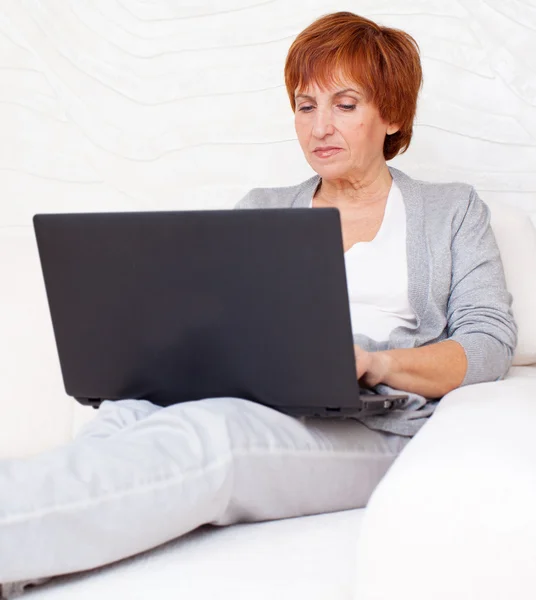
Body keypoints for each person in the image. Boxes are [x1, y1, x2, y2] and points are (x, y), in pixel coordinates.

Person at [0, 11, 517, 598]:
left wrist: (377, 364)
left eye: (345, 105)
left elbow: (488, 344)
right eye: (305, 105)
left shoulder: (451, 210)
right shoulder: (263, 205)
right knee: (126, 414)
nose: (320, 126)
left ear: (391, 114)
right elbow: (216, 322)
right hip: (246, 392)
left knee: (213, 437)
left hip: (370, 422)